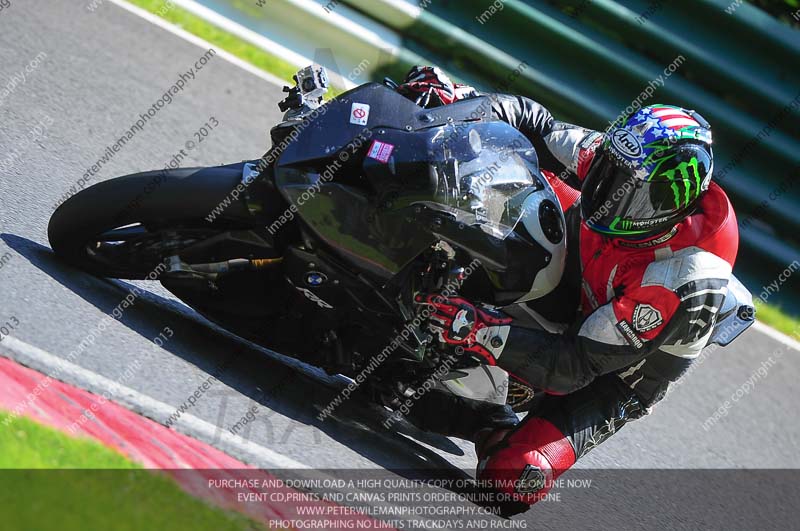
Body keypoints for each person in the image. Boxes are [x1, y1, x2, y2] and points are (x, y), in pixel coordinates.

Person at [397, 66, 739, 514]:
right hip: (589, 268)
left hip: (613, 370)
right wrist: (461, 99)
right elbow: (534, 124)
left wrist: (477, 330)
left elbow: (576, 365)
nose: (607, 196)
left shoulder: (682, 277)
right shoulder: (624, 160)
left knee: (511, 482)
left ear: (668, 206)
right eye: (607, 177)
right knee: (498, 171)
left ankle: (488, 416)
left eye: (629, 196)